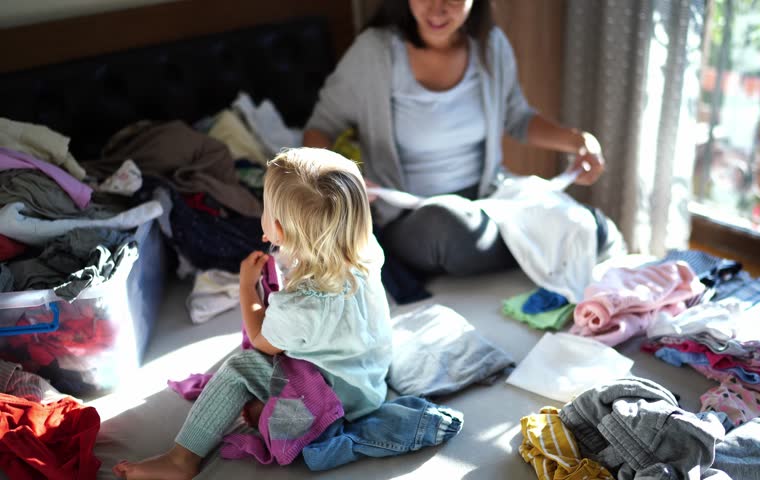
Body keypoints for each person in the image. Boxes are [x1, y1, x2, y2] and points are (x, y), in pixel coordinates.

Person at [113, 148, 392, 480]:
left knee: (238, 367)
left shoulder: (304, 302)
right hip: (368, 379)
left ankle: (180, 460)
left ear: (278, 229)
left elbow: (262, 342)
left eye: (266, 209)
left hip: (334, 403)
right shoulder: (365, 249)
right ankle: (269, 412)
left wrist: (247, 288)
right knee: (263, 375)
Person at [303, 0, 609, 277]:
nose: (437, 9)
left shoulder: (490, 46)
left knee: (583, 224)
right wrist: (340, 176)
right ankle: (554, 238)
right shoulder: (374, 53)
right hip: (414, 216)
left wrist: (579, 142)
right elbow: (320, 127)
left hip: (487, 198)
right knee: (446, 228)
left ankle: (566, 230)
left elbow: (517, 117)